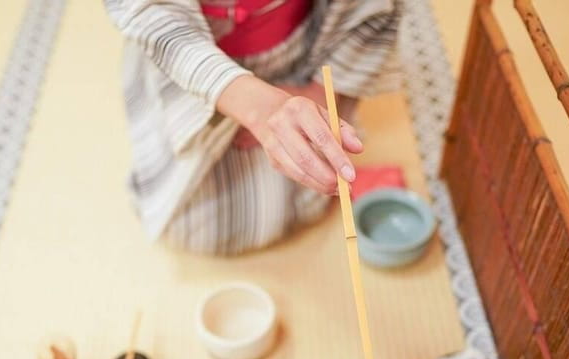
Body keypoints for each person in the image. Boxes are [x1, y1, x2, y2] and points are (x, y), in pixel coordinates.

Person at [104, 0, 402, 254]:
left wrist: (319, 92)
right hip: (191, 66)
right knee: (197, 226)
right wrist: (257, 106)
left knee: (305, 181)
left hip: (294, 54)